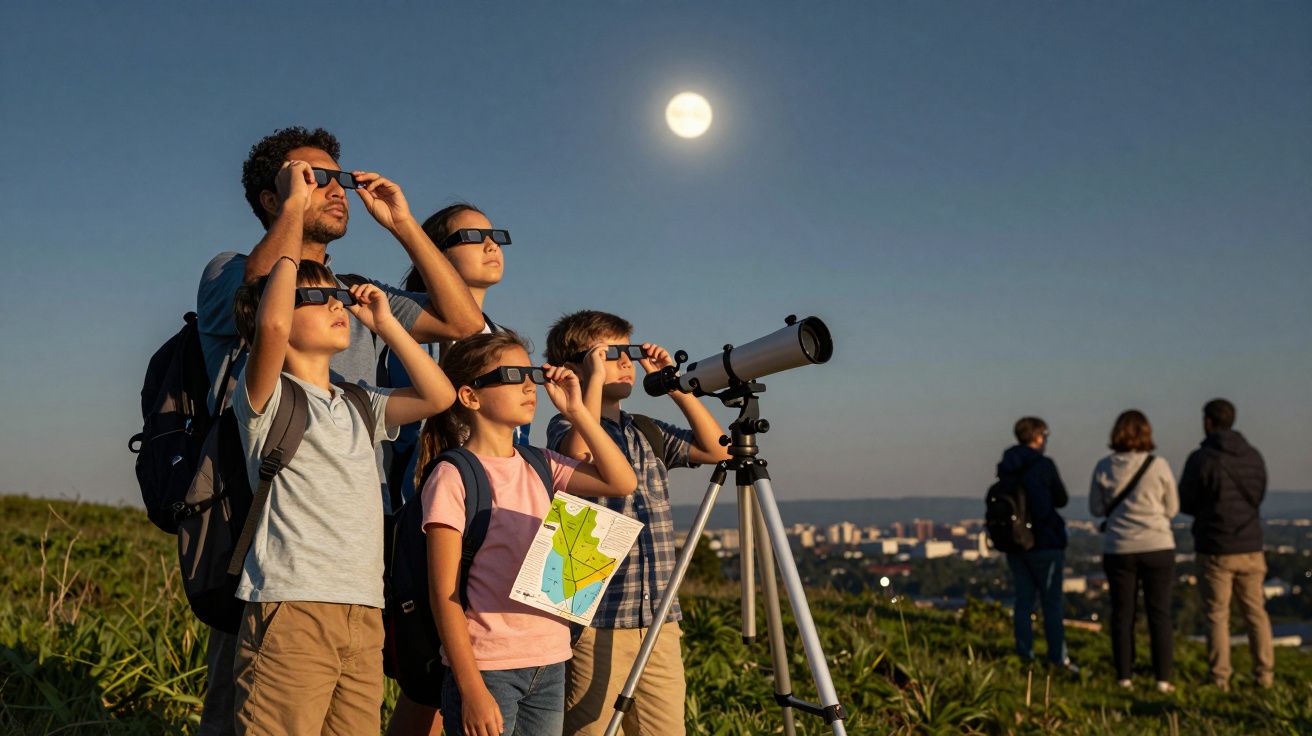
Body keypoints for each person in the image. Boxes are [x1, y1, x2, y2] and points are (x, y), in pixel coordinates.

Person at [194, 126, 483, 735]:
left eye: (339, 178)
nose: (336, 189)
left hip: (354, 554)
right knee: (242, 704)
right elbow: (265, 307)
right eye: (312, 176)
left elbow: (463, 322)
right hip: (267, 529)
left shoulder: (352, 295)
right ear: (274, 196)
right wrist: (295, 213)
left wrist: (403, 225)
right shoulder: (234, 273)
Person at [228, 256, 455, 734]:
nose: (336, 304)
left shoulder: (358, 400)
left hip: (364, 608)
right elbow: (269, 323)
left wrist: (388, 324)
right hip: (293, 606)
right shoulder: (266, 397)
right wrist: (293, 231)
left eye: (336, 296)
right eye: (314, 297)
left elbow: (439, 397)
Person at [418, 331, 638, 735]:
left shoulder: (541, 463)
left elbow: (622, 482)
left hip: (550, 659)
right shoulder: (455, 474)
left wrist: (579, 412)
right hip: (486, 666)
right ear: (470, 396)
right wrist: (472, 690)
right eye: (512, 374)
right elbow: (443, 594)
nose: (528, 385)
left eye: (531, 374)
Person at [544, 310, 730, 736]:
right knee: (589, 726)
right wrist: (588, 382)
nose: (628, 362)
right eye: (613, 354)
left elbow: (717, 450)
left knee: (664, 727)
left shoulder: (644, 429)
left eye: (630, 352)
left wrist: (673, 384)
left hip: (658, 615)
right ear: (579, 365)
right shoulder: (565, 423)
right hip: (594, 615)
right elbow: (577, 457)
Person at [1179, 398, 1273, 690]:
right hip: (1250, 543)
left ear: (1208, 422)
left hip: (1215, 545)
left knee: (1217, 614)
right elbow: (1259, 493)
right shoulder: (1253, 456)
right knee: (1256, 612)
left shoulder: (1202, 459)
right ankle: (1264, 674)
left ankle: (1220, 676)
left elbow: (1186, 501)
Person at [1089, 410, 1179, 692]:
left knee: (1122, 613)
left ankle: (1124, 676)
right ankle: (1162, 679)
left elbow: (1096, 508)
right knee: (1159, 613)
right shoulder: (1159, 465)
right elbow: (1173, 508)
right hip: (1157, 544)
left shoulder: (1104, 466)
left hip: (1119, 547)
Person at [997, 416, 1078, 673]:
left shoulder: (1006, 465)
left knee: (1023, 602)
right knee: (1051, 603)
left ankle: (1025, 656)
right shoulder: (1043, 465)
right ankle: (1057, 658)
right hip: (1045, 541)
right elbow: (1061, 498)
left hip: (1016, 542)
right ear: (1039, 437)